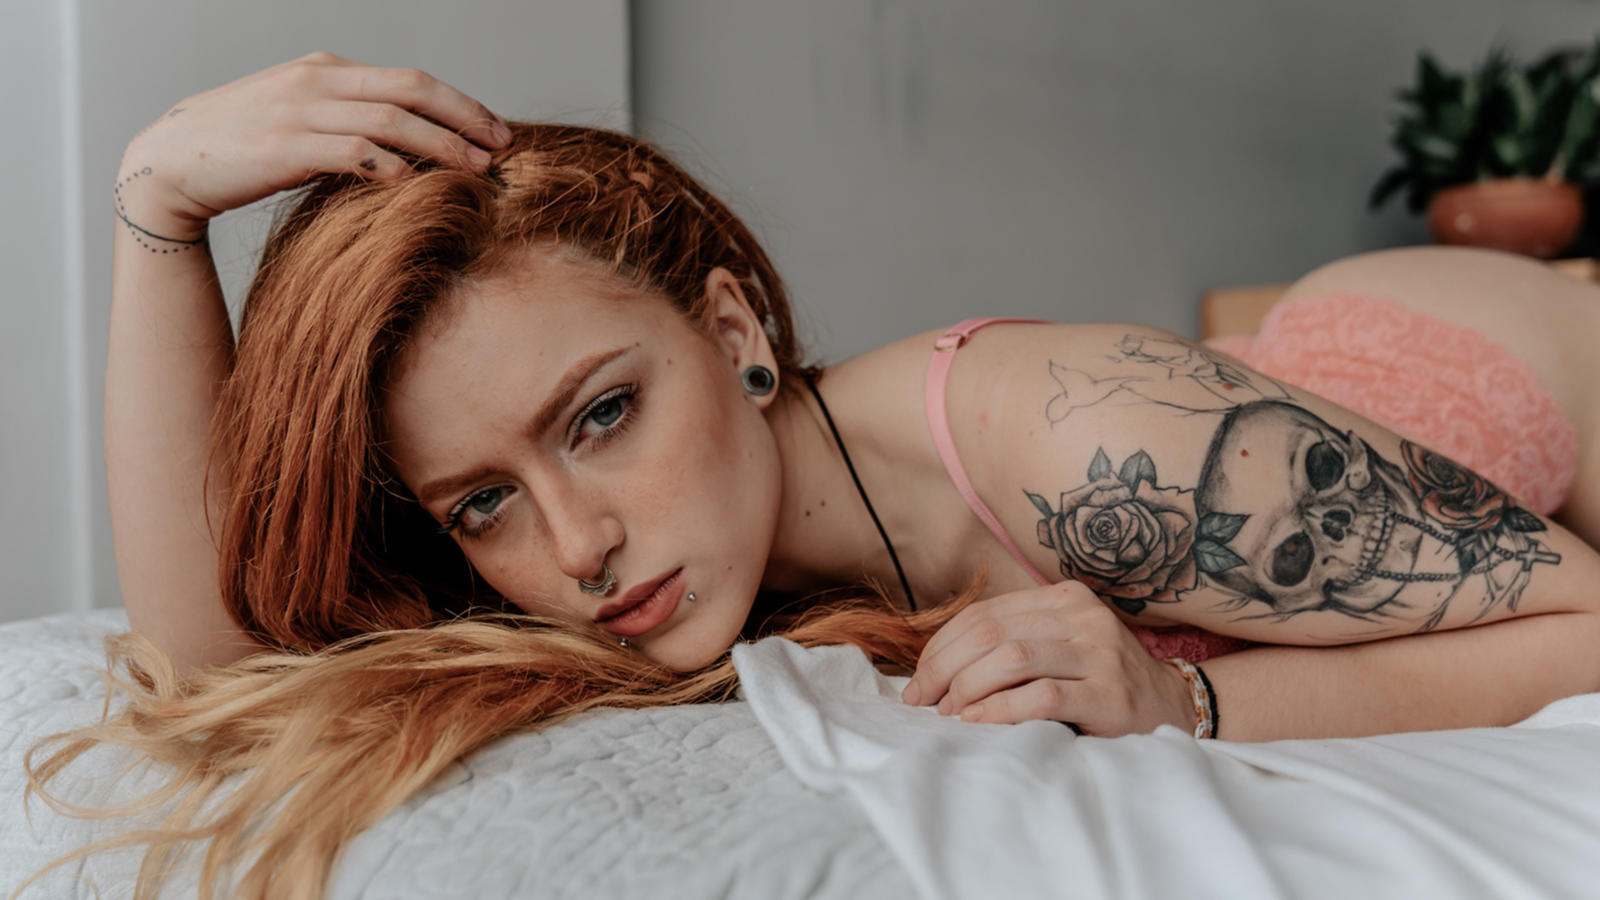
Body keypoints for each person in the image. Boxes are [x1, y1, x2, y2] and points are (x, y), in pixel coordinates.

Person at [27, 52, 1600, 896]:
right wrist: (157, 216)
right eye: (482, 501)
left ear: (733, 332)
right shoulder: (608, 569)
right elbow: (215, 664)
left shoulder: (1100, 447)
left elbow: (1585, 624)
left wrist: (1189, 705)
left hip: (1520, 366)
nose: (576, 544)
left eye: (603, 413)